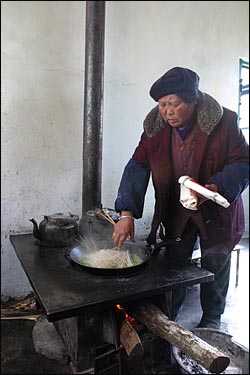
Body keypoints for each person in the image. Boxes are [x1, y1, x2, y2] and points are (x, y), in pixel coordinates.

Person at [112, 66, 249, 329]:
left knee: (215, 263)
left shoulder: (225, 123)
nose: (167, 111)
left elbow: (243, 162)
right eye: (162, 104)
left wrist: (212, 188)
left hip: (216, 212)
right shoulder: (155, 129)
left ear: (193, 100)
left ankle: (211, 318)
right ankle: (167, 318)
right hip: (176, 212)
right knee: (173, 265)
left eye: (173, 103)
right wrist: (126, 213)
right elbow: (137, 165)